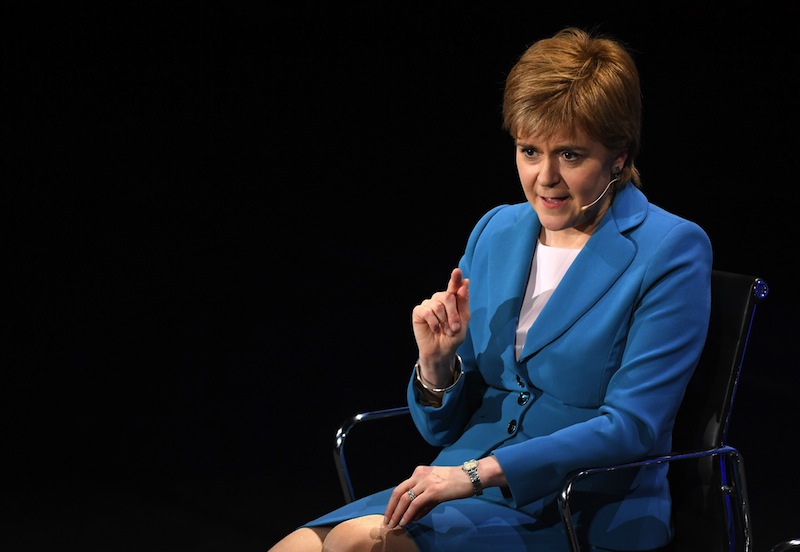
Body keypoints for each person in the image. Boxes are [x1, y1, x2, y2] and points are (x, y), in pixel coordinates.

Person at [269, 26, 712, 552]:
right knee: (297, 546)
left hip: (580, 503)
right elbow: (440, 430)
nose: (545, 177)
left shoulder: (670, 248)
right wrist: (437, 367)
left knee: (358, 543)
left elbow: (631, 427)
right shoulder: (497, 230)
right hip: (459, 482)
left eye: (570, 155)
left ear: (618, 154)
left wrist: (477, 474)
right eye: (530, 151)